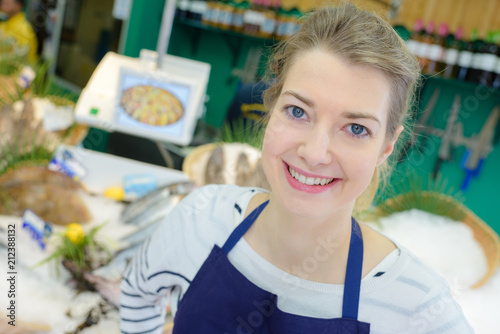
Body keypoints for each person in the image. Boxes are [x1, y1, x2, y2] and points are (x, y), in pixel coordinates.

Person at [120, 3, 474, 333]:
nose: (315, 153)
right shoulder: (198, 219)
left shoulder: (418, 307)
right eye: (297, 111)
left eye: (356, 129)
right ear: (271, 108)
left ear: (386, 148)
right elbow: (137, 293)